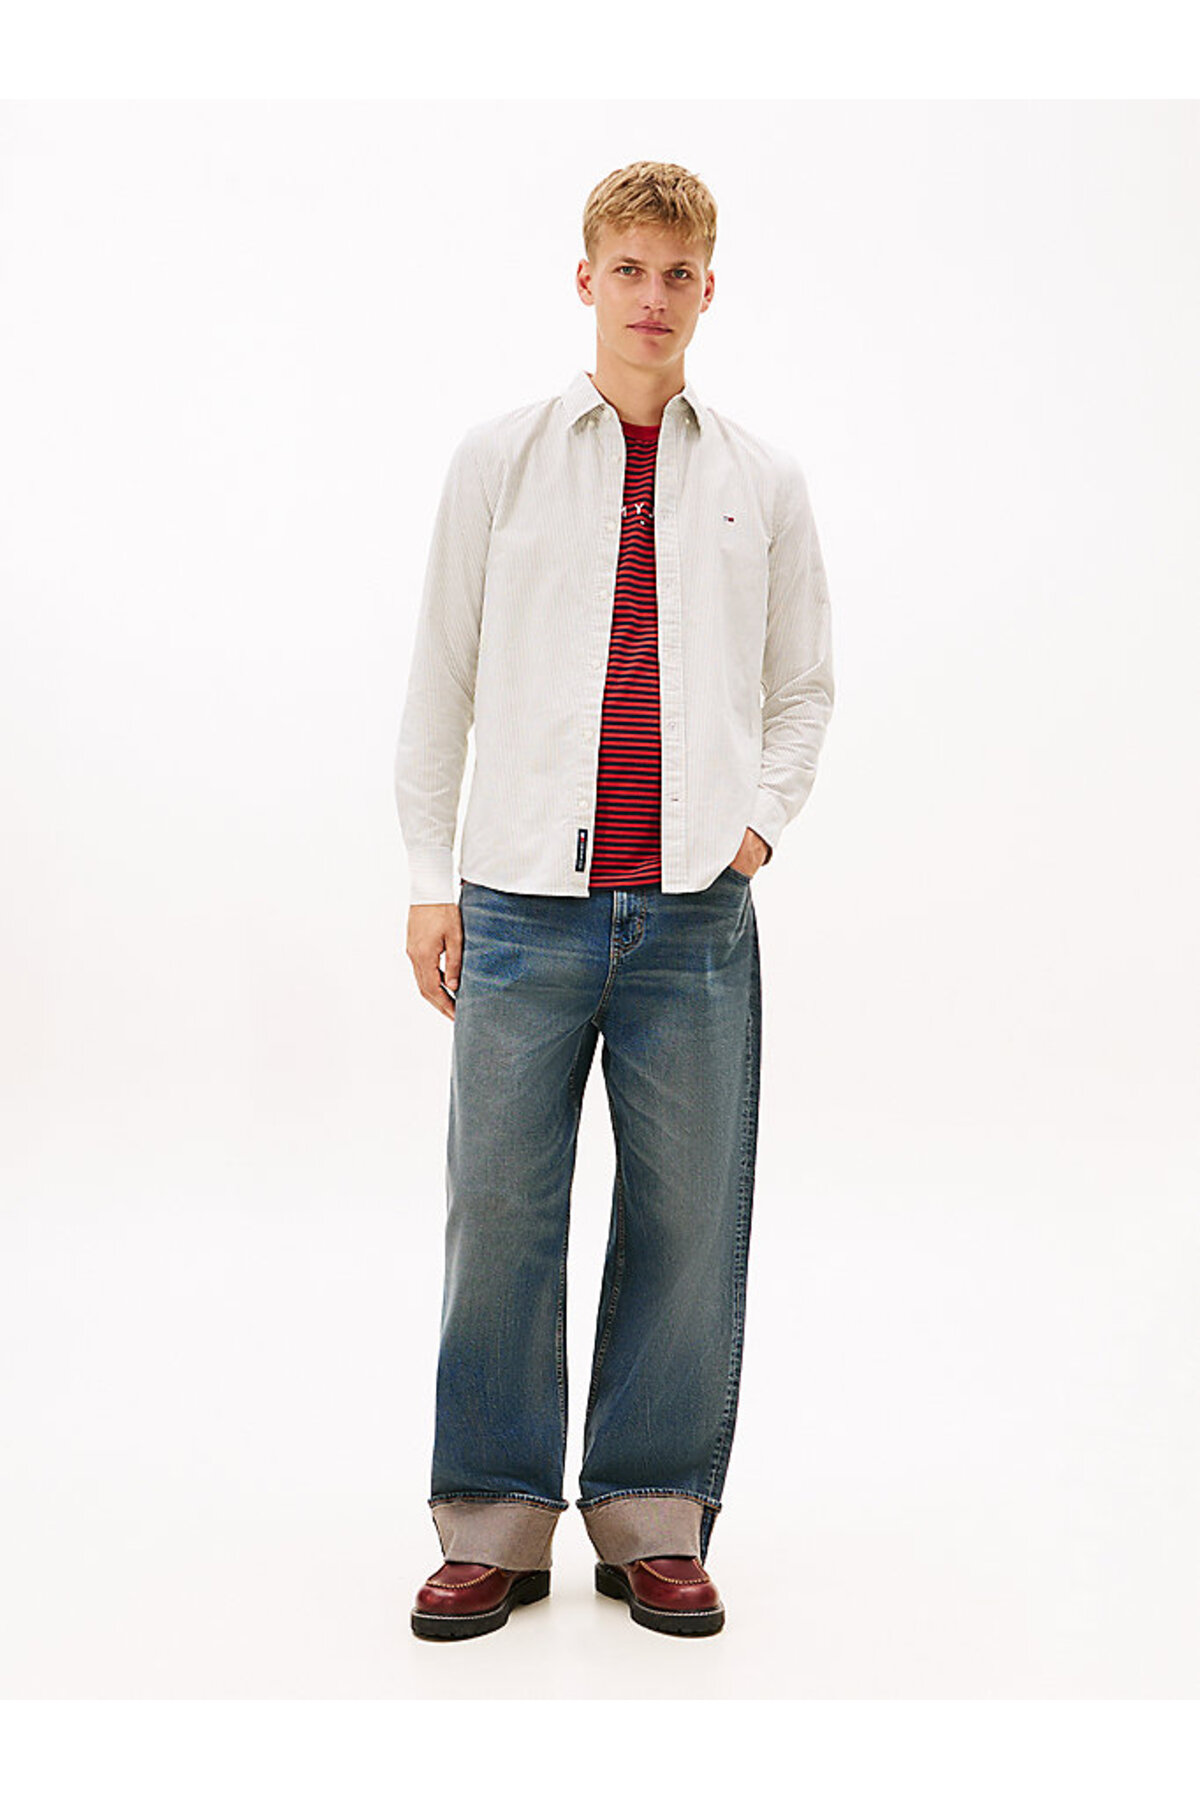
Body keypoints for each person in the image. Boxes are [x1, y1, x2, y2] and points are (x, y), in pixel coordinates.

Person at [394, 160, 834, 1640]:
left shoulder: (762, 480)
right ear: (585, 280)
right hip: (521, 903)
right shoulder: (501, 460)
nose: (654, 296)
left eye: (678, 272)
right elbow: (440, 674)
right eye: (629, 269)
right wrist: (428, 879)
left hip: (694, 917)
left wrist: (754, 831)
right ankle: (493, 1524)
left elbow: (804, 686)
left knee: (688, 1214)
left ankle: (652, 1518)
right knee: (501, 1210)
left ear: (710, 289)